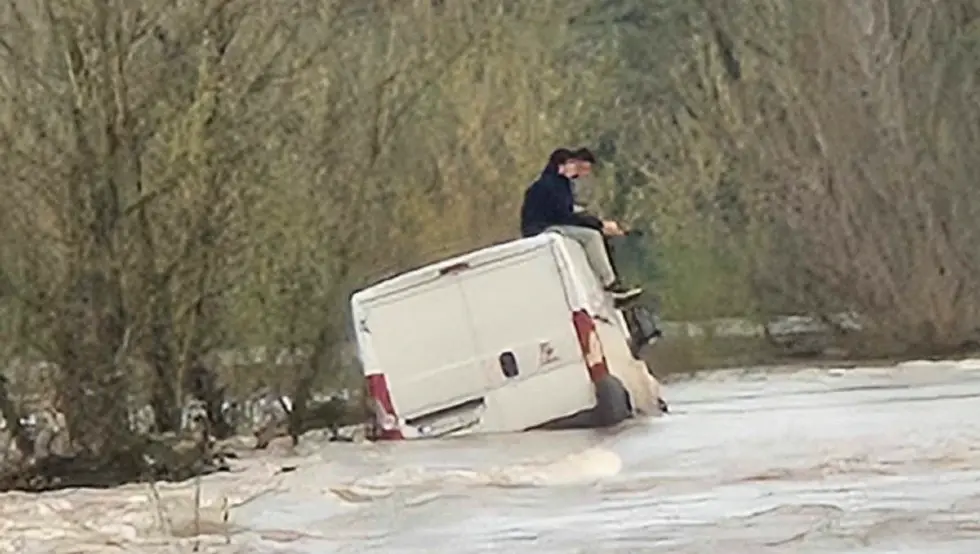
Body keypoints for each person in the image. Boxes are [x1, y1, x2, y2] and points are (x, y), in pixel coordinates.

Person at [520, 147, 642, 303]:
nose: (576, 170)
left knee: (593, 234)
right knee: (591, 237)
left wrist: (593, 221)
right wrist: (597, 225)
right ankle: (610, 284)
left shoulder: (556, 184)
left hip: (547, 224)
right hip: (542, 229)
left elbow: (567, 212)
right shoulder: (551, 186)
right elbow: (565, 216)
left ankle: (605, 278)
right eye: (572, 164)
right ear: (562, 165)